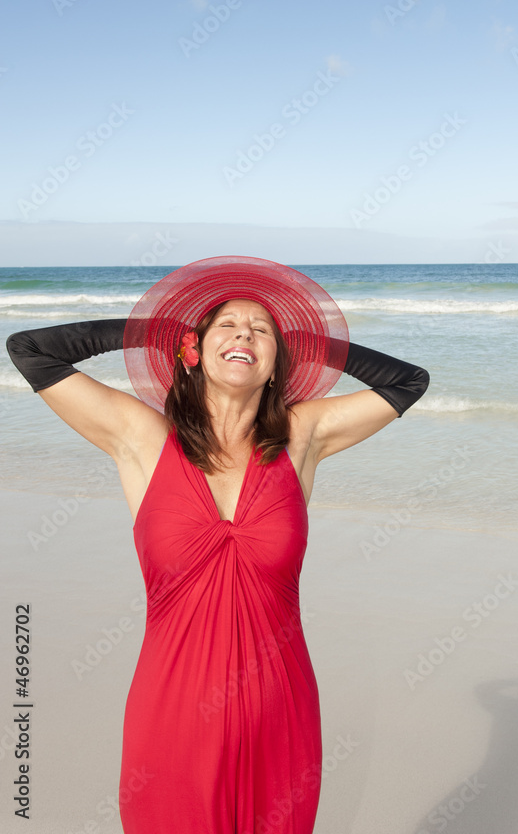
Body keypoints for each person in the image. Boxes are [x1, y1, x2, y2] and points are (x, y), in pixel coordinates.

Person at [6, 255, 429, 834]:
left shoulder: (301, 438)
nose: (244, 334)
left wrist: (307, 341)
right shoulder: (144, 438)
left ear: (277, 363)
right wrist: (151, 332)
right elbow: (31, 350)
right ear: (193, 350)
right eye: (226, 324)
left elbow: (409, 381)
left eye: (261, 330)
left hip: (278, 705)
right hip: (173, 702)